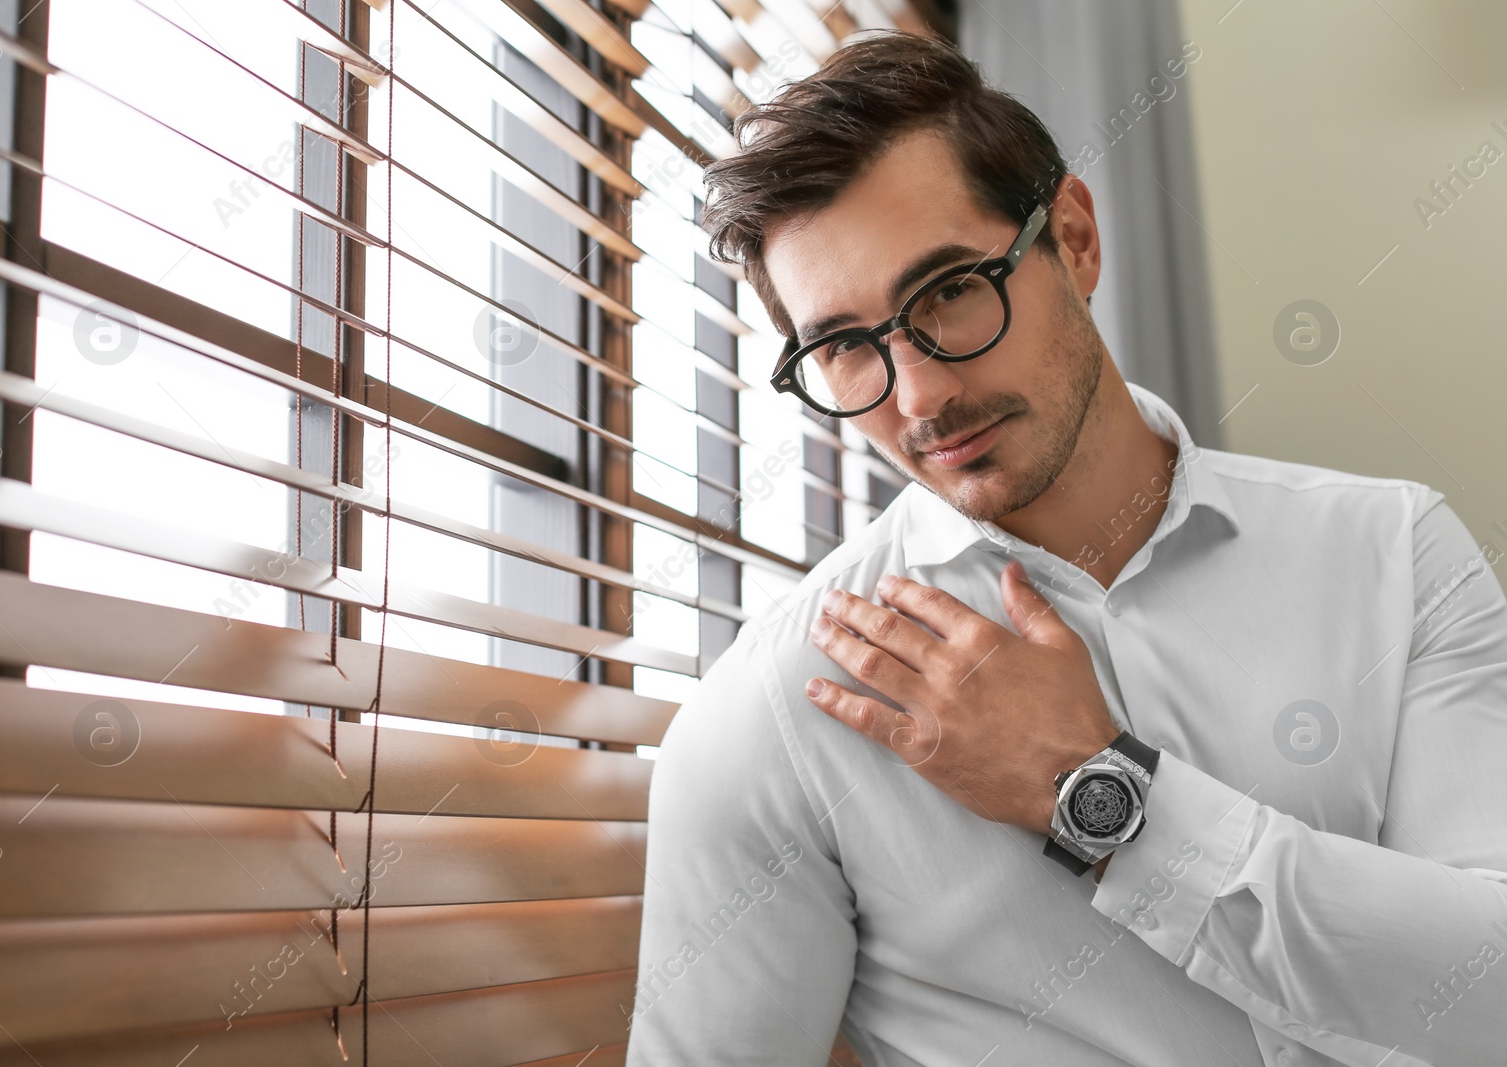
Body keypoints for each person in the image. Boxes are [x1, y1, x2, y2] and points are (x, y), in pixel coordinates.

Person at [625, 29, 1507, 1067]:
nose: (919, 396)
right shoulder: (770, 718)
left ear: (1075, 239)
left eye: (949, 289)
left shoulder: (1395, 552)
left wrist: (1096, 793)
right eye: (846, 346)